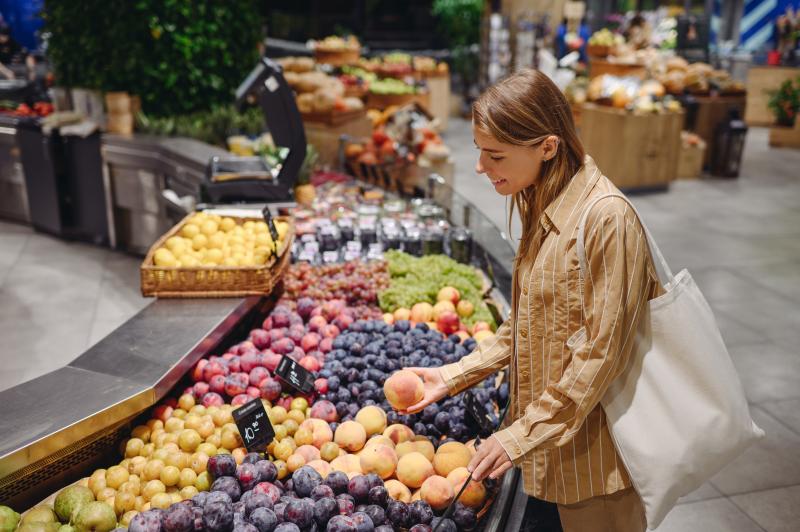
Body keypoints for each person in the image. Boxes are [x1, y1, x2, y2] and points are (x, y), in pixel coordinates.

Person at [401, 69, 660, 532]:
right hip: (543, 457)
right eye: (480, 150)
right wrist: (452, 375)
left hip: (593, 472)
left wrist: (517, 436)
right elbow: (529, 320)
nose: (480, 166)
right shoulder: (542, 199)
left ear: (547, 146)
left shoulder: (606, 220)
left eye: (495, 154)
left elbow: (599, 357)